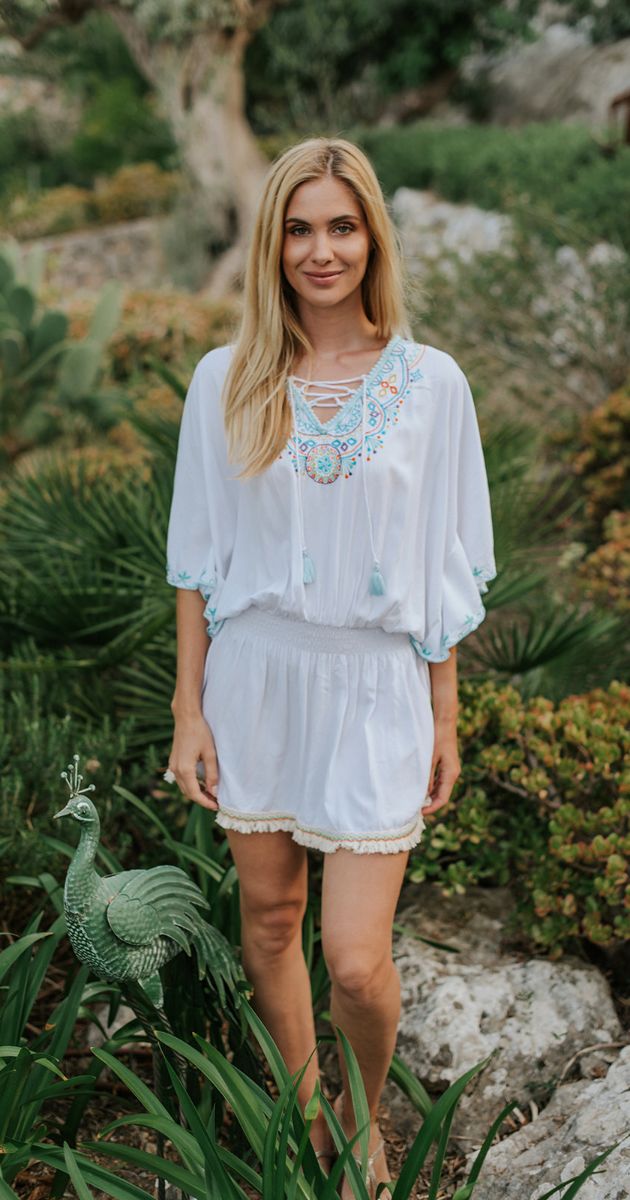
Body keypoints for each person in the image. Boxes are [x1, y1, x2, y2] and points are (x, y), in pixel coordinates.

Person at [164, 136, 496, 1198]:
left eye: (342, 227)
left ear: (372, 238)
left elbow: (442, 563)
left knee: (354, 957)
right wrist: (188, 709)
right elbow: (197, 562)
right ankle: (306, 1121)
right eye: (299, 229)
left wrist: (445, 714)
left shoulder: (432, 385)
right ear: (272, 243)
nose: (321, 250)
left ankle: (363, 1117)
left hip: (376, 685)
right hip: (255, 677)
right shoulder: (225, 379)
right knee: (269, 920)